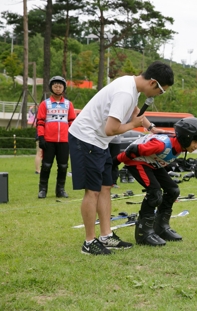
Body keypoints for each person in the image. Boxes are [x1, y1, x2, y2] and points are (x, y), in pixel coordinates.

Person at [68, 60, 174, 256]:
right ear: (153, 83)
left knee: (105, 186)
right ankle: (89, 241)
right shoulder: (125, 92)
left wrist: (150, 128)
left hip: (100, 141)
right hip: (86, 138)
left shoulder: (131, 86)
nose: (160, 95)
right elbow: (111, 129)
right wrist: (133, 125)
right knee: (92, 191)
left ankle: (106, 236)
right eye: (161, 91)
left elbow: (135, 112)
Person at [115, 117, 197, 246]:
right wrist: (114, 162)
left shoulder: (180, 144)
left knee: (173, 190)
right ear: (186, 137)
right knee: (154, 193)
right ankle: (144, 233)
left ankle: (160, 227)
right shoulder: (161, 145)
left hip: (153, 163)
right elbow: (133, 150)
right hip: (137, 161)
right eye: (195, 141)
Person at [36, 76, 76, 198]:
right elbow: (40, 122)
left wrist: (72, 137)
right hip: (49, 141)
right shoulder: (45, 104)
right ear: (51, 88)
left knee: (63, 166)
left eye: (60, 86)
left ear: (64, 88)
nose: (58, 89)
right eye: (55, 86)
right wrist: (41, 137)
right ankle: (42, 189)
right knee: (46, 165)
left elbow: (72, 122)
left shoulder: (69, 104)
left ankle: (60, 190)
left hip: (64, 141)